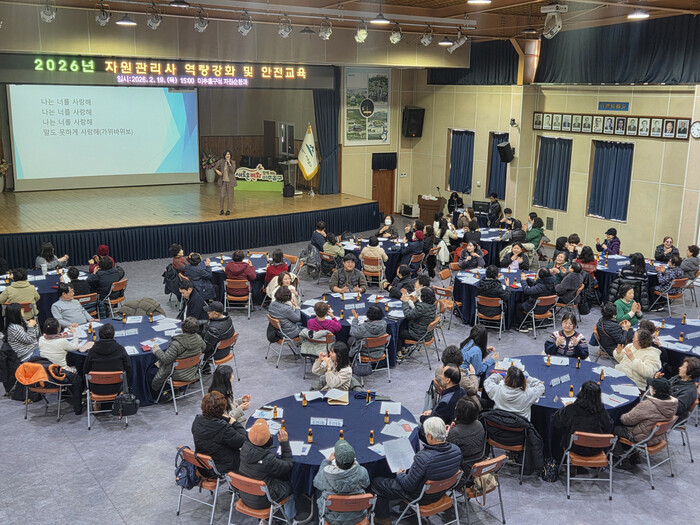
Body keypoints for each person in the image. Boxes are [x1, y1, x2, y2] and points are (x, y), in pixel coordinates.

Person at [370, 417, 462, 525]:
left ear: (430, 436)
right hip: (442, 491)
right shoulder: (457, 450)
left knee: (376, 483)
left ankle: (383, 518)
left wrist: (399, 475)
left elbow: (408, 486)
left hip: (420, 497)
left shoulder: (423, 458)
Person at [239, 419, 295, 520]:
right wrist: (284, 444)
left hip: (244, 495)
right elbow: (287, 465)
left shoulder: (244, 448)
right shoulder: (268, 459)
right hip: (263, 500)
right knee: (290, 485)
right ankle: (290, 517)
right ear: (269, 439)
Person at [614, 377, 678, 464]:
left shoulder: (648, 405)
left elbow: (626, 420)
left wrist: (620, 416)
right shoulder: (672, 405)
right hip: (657, 437)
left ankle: (620, 457)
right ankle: (631, 453)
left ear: (654, 391)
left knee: (612, 427)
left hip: (641, 437)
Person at [313, 439, 371, 525]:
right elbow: (366, 484)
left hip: (332, 519)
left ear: (335, 459)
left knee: (318, 492)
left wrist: (326, 462)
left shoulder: (326, 474)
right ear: (353, 459)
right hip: (357, 517)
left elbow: (316, 483)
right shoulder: (362, 471)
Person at [191, 391, 248, 474]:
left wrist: (224, 418)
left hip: (203, 466)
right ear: (222, 409)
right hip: (223, 468)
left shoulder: (197, 421)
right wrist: (234, 423)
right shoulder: (223, 428)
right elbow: (243, 440)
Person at [552, 381, 613, 457]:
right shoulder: (602, 412)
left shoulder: (572, 409)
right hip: (596, 448)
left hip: (574, 447)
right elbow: (609, 426)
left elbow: (556, 421)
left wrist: (565, 408)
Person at [37, 318, 83, 414]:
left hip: (46, 373)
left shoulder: (41, 339)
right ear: (58, 329)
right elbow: (75, 347)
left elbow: (51, 340)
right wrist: (74, 333)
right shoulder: (62, 342)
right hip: (61, 373)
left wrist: (61, 336)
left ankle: (67, 392)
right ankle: (79, 399)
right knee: (79, 368)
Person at [151, 317, 205, 397]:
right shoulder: (199, 339)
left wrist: (156, 350)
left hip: (176, 374)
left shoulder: (176, 344)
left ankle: (156, 394)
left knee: (151, 371)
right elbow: (203, 348)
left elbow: (166, 359)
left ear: (182, 329)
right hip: (192, 371)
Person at [82, 323, 132, 395]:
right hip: (117, 388)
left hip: (96, 388)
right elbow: (129, 368)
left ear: (99, 335)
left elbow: (85, 370)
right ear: (113, 335)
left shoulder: (92, 351)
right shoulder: (120, 349)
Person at [447, 398, 486, 481]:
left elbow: (445, 453)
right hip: (479, 464)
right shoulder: (479, 424)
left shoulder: (454, 433)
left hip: (463, 472)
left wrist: (446, 434)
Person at [434, 345, 481, 410]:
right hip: (465, 408)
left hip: (449, 400)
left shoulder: (439, 370)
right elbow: (473, 390)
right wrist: (472, 375)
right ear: (460, 362)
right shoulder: (459, 375)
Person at [214, 150, 237, 215]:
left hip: (230, 182)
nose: (228, 155)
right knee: (222, 195)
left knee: (230, 197)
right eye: (227, 154)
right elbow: (214, 168)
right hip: (223, 181)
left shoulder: (233, 162)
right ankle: (221, 209)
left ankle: (228, 210)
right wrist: (217, 171)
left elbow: (233, 170)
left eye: (229, 154)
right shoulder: (221, 161)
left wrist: (229, 163)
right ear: (224, 155)